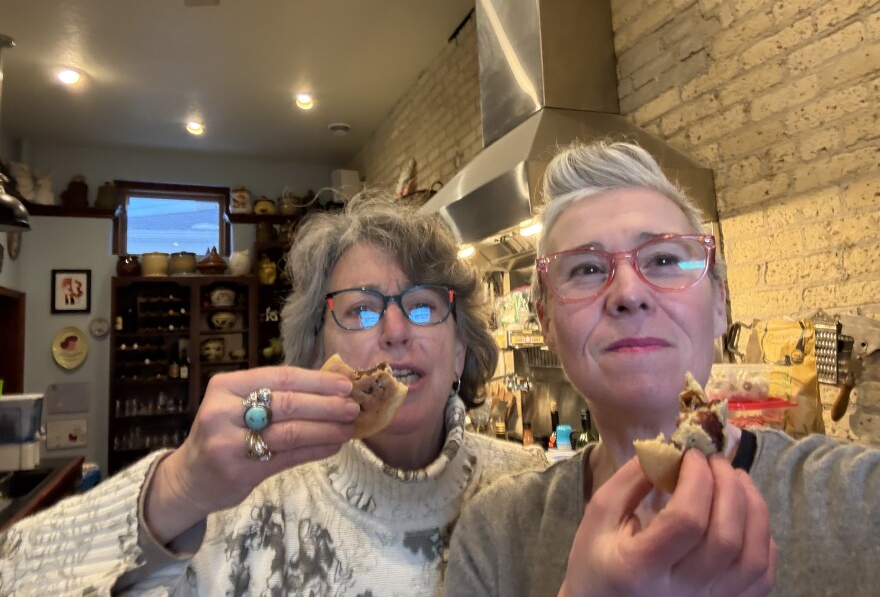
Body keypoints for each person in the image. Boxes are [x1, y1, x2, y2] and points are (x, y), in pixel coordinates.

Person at [0, 192, 547, 595]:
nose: (397, 330)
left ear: (461, 349)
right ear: (316, 354)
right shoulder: (242, 504)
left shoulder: (539, 494)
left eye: (424, 306)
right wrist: (177, 486)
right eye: (360, 309)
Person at [446, 140, 880, 596]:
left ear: (720, 304)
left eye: (665, 260)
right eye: (587, 269)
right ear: (546, 321)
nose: (629, 293)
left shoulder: (858, 502)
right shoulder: (494, 536)